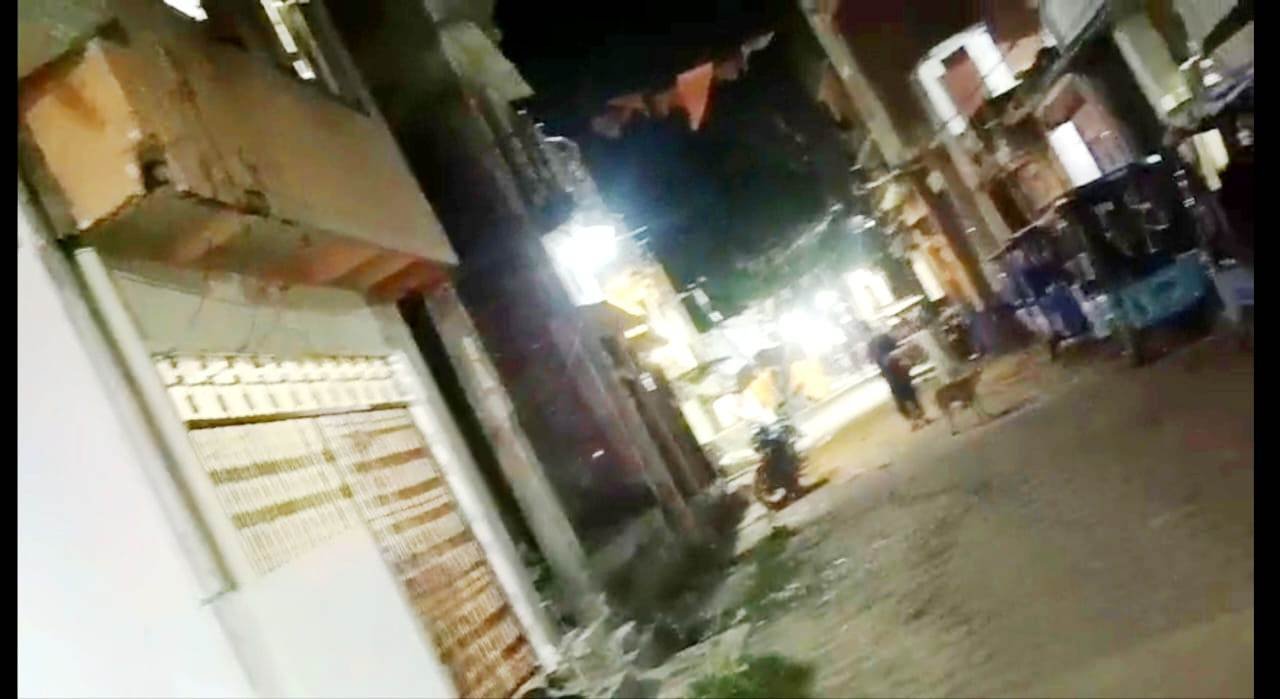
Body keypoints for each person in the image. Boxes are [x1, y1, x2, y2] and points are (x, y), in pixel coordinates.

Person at [869, 332, 929, 430]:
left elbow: (884, 365)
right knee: (911, 396)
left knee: (903, 400)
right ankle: (920, 417)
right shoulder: (891, 352)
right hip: (902, 377)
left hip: (894, 380)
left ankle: (914, 420)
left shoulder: (881, 355)